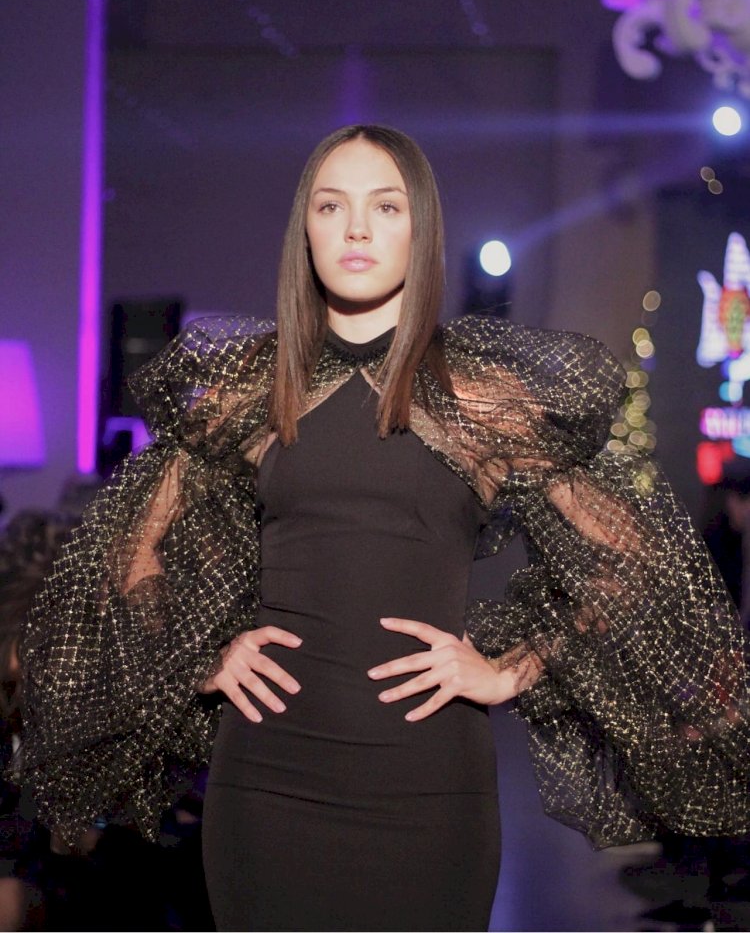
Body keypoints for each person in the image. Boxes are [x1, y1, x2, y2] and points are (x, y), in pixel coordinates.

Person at [20, 125, 750, 932]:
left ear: (420, 229)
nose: (357, 229)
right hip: (266, 786)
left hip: (427, 790)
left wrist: (511, 670)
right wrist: (202, 656)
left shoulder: (477, 398)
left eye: (386, 206)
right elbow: (129, 552)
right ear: (306, 231)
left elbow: (635, 560)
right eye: (331, 206)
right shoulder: (255, 390)